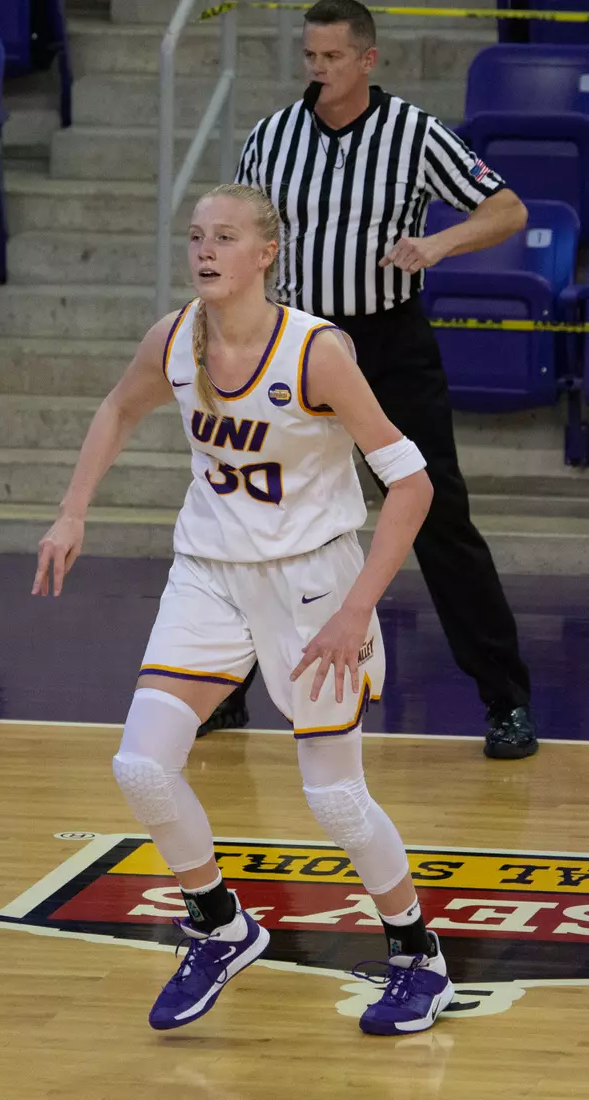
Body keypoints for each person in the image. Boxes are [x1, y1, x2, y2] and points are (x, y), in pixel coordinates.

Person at [33, 183, 453, 1035]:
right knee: (142, 766)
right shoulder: (174, 338)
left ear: (267, 254)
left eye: (224, 237)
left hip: (316, 583)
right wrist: (73, 507)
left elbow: (412, 482)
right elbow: (118, 407)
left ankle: (418, 954)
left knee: (333, 796)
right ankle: (220, 925)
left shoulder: (318, 352)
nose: (205, 251)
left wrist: (354, 609)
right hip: (209, 572)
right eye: (195, 237)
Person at [212, 0, 536, 759]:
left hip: (389, 346)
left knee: (438, 514)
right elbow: (238, 226)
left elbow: (508, 208)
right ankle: (224, 689)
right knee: (259, 512)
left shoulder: (414, 133)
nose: (317, 71)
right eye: (309, 57)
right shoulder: (271, 136)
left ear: (367, 60)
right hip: (293, 344)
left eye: (331, 57)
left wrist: (441, 243)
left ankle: (507, 700)